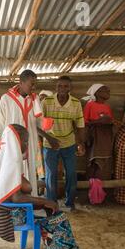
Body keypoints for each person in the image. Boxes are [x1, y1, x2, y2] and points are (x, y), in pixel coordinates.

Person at [0, 69, 59, 197]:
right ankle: (15, 203)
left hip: (30, 142)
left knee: (29, 170)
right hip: (12, 143)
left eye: (35, 85)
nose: (34, 87)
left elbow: (38, 121)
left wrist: (48, 126)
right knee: (13, 171)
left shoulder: (34, 99)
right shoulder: (6, 99)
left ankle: (30, 202)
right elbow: (0, 124)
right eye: (31, 84)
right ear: (21, 83)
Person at [42, 76, 86, 211]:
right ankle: (52, 204)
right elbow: (40, 124)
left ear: (70, 88)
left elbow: (80, 125)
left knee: (71, 174)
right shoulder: (47, 102)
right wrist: (48, 139)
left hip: (69, 143)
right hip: (50, 143)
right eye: (60, 86)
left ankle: (69, 203)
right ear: (56, 87)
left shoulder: (75, 103)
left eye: (66, 86)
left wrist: (80, 143)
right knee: (51, 175)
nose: (62, 89)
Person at [82, 84, 116, 180]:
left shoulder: (107, 107)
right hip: (95, 137)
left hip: (106, 137)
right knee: (93, 162)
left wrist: (113, 122)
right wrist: (99, 121)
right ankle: (91, 187)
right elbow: (85, 123)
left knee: (104, 162)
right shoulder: (90, 105)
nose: (108, 92)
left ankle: (100, 188)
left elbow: (109, 121)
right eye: (105, 90)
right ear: (96, 93)